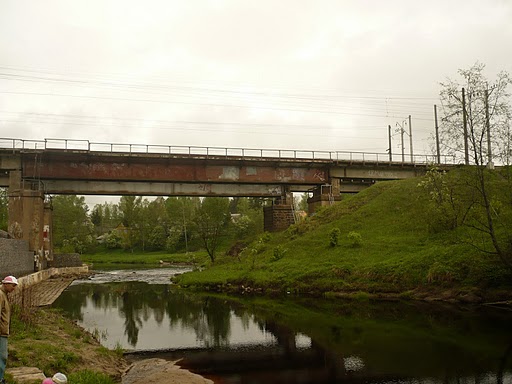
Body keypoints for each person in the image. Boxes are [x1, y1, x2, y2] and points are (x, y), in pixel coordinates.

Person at [0, 276, 18, 384]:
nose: (14, 288)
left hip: (3, 332)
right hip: (1, 333)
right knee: (2, 357)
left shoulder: (4, 295)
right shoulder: (0, 295)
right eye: (13, 285)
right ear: (6, 284)